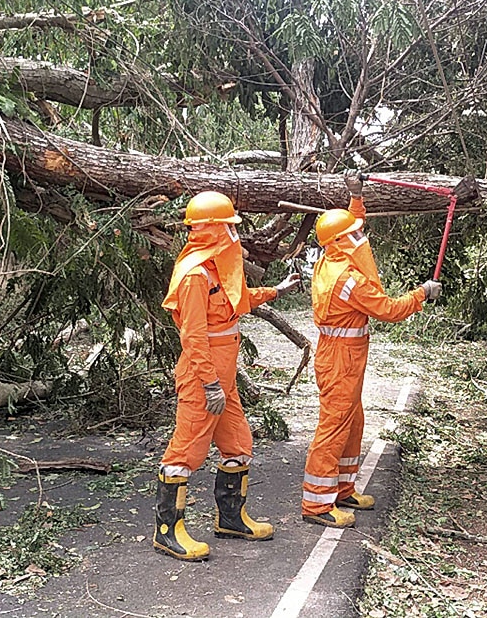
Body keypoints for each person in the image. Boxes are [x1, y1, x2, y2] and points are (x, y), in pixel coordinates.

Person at [154, 190, 301, 561]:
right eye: (230, 228)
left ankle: (231, 519)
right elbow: (193, 336)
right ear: (214, 230)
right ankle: (167, 532)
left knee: (238, 445)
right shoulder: (194, 276)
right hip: (203, 379)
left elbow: (238, 299)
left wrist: (277, 290)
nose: (235, 235)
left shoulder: (217, 267)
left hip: (224, 379)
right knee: (186, 451)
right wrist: (208, 383)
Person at [301, 174, 442, 528]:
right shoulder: (349, 281)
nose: (361, 238)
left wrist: (356, 197)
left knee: (352, 422)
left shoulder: (329, 259)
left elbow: (349, 227)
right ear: (342, 242)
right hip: (341, 357)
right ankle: (317, 505)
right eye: (354, 235)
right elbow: (390, 310)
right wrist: (422, 293)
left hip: (342, 354)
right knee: (334, 426)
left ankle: (343, 488)